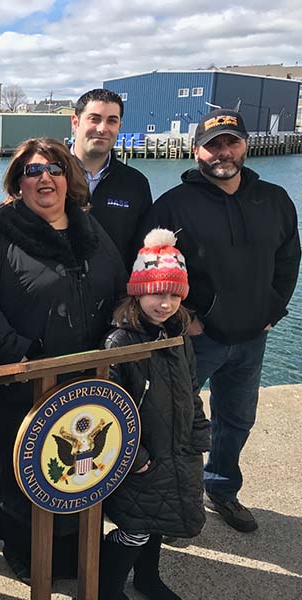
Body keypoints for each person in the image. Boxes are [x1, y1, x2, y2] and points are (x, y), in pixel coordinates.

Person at [0, 137, 127, 583]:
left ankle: (75, 551)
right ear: (19, 183)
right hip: (22, 381)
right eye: (33, 171)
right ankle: (25, 554)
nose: (45, 177)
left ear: (69, 177)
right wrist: (19, 349)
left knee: (80, 467)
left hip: (86, 382)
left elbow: (120, 289)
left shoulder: (92, 230)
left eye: (54, 168)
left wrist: (115, 340)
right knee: (24, 472)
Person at [144, 108, 300, 533]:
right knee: (175, 421)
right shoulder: (172, 206)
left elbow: (288, 260)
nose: (223, 152)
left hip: (253, 338)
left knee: (237, 418)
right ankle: (175, 498)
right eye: (213, 145)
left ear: (245, 145)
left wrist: (274, 310)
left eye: (231, 142)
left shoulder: (275, 200)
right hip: (196, 338)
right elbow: (151, 270)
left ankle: (222, 488)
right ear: (197, 150)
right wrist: (185, 317)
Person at [101, 229, 211, 600]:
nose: (164, 303)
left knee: (157, 524)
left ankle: (148, 579)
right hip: (142, 458)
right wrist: (137, 459)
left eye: (173, 294)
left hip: (177, 450)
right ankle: (108, 587)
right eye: (156, 292)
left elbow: (190, 390)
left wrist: (198, 435)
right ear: (138, 291)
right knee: (135, 527)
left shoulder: (177, 336)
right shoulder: (120, 342)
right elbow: (111, 410)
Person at [71, 88, 152, 265]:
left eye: (112, 121)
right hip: (54, 289)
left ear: (119, 127)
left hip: (114, 291)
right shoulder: (50, 175)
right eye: (94, 119)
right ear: (75, 122)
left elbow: (142, 249)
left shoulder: (136, 184)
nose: (102, 129)